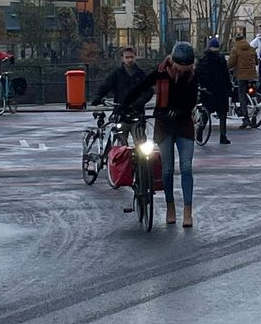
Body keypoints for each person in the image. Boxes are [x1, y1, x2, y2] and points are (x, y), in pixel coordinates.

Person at [124, 42, 198, 227]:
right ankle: (170, 206)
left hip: (184, 125)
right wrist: (124, 105)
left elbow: (192, 100)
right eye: (180, 67)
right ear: (173, 62)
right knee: (166, 169)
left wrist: (180, 112)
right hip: (164, 125)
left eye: (186, 67)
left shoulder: (192, 75)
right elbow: (141, 87)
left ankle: (187, 211)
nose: (183, 70)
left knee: (187, 167)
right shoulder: (161, 72)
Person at [91, 46, 152, 141]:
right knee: (119, 145)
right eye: (127, 57)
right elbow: (106, 86)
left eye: (131, 57)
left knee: (141, 145)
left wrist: (138, 103)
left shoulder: (141, 74)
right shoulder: (116, 73)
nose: (130, 60)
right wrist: (98, 97)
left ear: (135, 57)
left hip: (137, 115)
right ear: (122, 58)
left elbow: (148, 91)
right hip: (121, 114)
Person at [196, 37, 232, 144]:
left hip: (208, 91)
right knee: (222, 115)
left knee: (205, 113)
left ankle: (200, 133)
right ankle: (223, 136)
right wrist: (229, 88)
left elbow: (199, 76)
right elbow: (226, 75)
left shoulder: (203, 60)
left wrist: (201, 87)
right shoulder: (221, 59)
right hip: (221, 91)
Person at [227, 32, 259, 128]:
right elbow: (256, 62)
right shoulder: (252, 49)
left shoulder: (235, 49)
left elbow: (231, 63)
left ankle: (245, 118)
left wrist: (226, 67)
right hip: (253, 75)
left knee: (242, 96)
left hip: (241, 76)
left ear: (236, 40)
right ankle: (255, 110)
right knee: (252, 93)